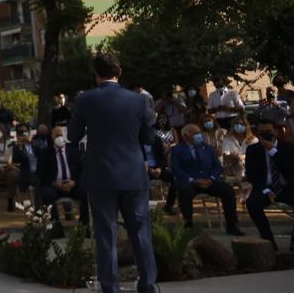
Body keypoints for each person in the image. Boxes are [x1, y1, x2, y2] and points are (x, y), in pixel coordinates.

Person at [67, 52, 157, 293]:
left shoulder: (86, 99)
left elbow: (73, 136)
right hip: (133, 173)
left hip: (101, 174)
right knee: (141, 234)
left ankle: (110, 288)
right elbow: (149, 136)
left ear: (95, 74)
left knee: (106, 235)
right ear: (120, 72)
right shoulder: (139, 100)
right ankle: (147, 285)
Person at [169, 124, 244, 234]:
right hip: (191, 183)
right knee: (184, 191)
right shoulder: (177, 150)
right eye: (195, 134)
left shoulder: (208, 148)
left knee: (228, 190)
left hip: (209, 181)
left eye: (199, 133)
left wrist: (212, 179)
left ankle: (232, 225)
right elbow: (176, 169)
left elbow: (217, 167)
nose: (199, 136)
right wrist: (192, 180)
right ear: (185, 136)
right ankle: (188, 225)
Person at [244, 117, 294, 251]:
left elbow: (291, 170)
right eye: (261, 132)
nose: (266, 134)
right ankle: (269, 242)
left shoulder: (288, 148)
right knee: (252, 203)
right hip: (265, 188)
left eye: (268, 131)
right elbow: (251, 175)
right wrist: (265, 190)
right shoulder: (252, 150)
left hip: (287, 187)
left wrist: (272, 150)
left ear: (276, 132)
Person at [36, 125, 88, 225]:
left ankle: (84, 226)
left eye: (61, 135)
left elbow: (82, 170)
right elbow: (40, 172)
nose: (59, 138)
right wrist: (54, 182)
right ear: (52, 137)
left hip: (72, 185)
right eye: (57, 136)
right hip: (54, 185)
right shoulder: (45, 153)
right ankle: (55, 226)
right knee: (47, 194)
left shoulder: (74, 151)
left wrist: (74, 182)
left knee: (85, 192)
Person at [10, 125, 40, 209]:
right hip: (28, 173)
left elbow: (42, 151)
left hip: (40, 171)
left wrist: (31, 142)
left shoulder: (36, 143)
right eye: (20, 133)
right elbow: (16, 159)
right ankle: (38, 208)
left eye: (24, 132)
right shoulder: (16, 147)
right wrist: (20, 146)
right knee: (38, 182)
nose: (23, 134)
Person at [221, 117, 256, 184]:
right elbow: (226, 153)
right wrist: (236, 157)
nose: (239, 125)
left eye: (241, 124)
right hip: (232, 163)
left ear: (246, 126)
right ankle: (243, 181)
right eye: (236, 124)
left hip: (249, 164)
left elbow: (254, 155)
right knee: (237, 162)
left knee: (240, 162)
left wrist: (240, 157)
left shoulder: (254, 140)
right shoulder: (227, 139)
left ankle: (243, 183)